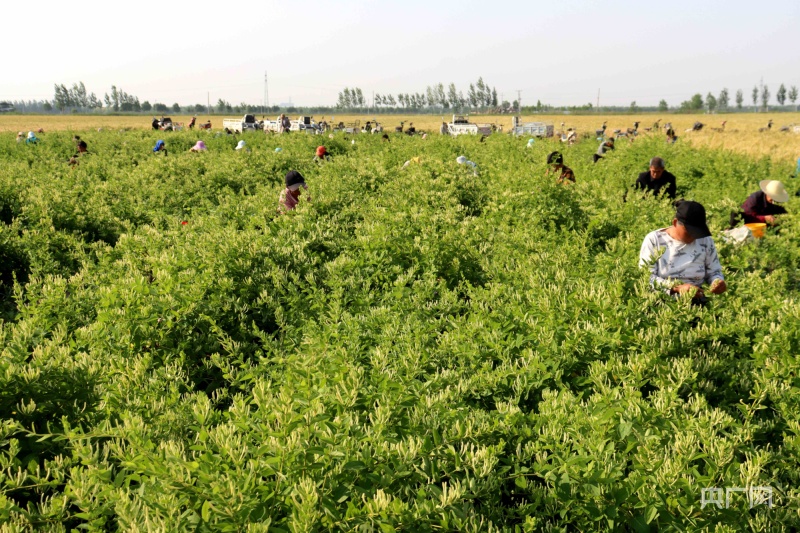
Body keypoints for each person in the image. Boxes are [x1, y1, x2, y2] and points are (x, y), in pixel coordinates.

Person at [639, 200, 726, 303]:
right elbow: (647, 277)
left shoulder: (705, 240)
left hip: (697, 299)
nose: (694, 236)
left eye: (697, 232)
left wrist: (717, 281)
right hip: (662, 300)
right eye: (689, 232)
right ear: (675, 223)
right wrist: (677, 288)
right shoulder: (654, 240)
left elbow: (714, 271)